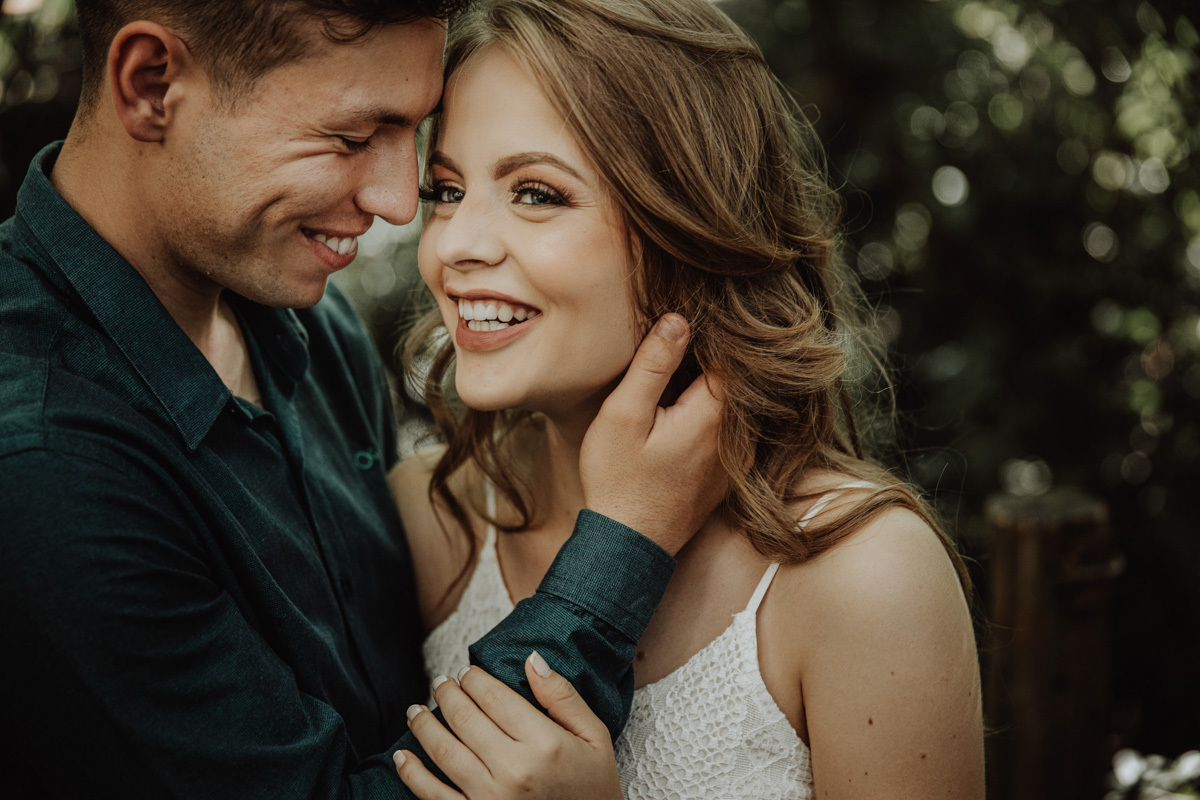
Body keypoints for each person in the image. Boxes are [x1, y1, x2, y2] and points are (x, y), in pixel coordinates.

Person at [0, 1, 726, 798]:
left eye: (413, 139)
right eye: (350, 137)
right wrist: (622, 545)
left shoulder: (311, 320)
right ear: (151, 85)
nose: (401, 202)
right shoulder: (43, 459)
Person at [390, 0, 985, 798]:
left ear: (690, 222)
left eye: (537, 193)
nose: (455, 244)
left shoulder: (865, 579)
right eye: (446, 189)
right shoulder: (432, 519)